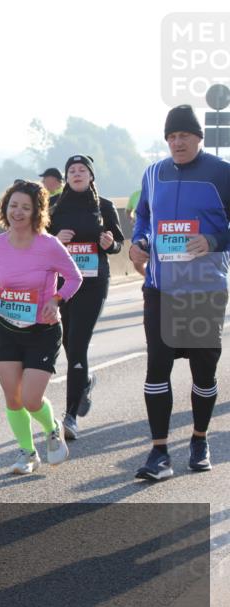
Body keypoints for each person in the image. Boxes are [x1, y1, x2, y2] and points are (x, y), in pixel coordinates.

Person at [129, 105, 230, 481]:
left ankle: (200, 440)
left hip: (204, 288)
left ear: (198, 138)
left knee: (204, 373)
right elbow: (142, 215)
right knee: (157, 366)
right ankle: (158, 452)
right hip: (160, 287)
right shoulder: (153, 173)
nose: (177, 142)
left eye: (183, 135)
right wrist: (138, 241)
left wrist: (214, 238)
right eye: (171, 137)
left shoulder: (221, 174)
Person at [0, 179, 82, 474]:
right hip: (6, 328)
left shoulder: (49, 245)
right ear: (5, 207)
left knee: (31, 399)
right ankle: (27, 453)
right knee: (13, 398)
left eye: (25, 207)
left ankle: (52, 428)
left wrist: (56, 299)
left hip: (42, 330)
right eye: (13, 205)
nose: (17, 212)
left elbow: (75, 278)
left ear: (36, 211)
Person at [48, 155, 125, 440]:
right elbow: (39, 242)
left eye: (82, 170)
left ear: (91, 176)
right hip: (61, 283)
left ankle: (69, 417)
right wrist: (57, 239)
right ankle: (85, 382)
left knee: (78, 345)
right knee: (68, 342)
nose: (77, 174)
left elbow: (118, 243)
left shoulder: (104, 206)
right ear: (66, 177)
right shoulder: (54, 207)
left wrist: (110, 243)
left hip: (92, 284)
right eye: (72, 170)